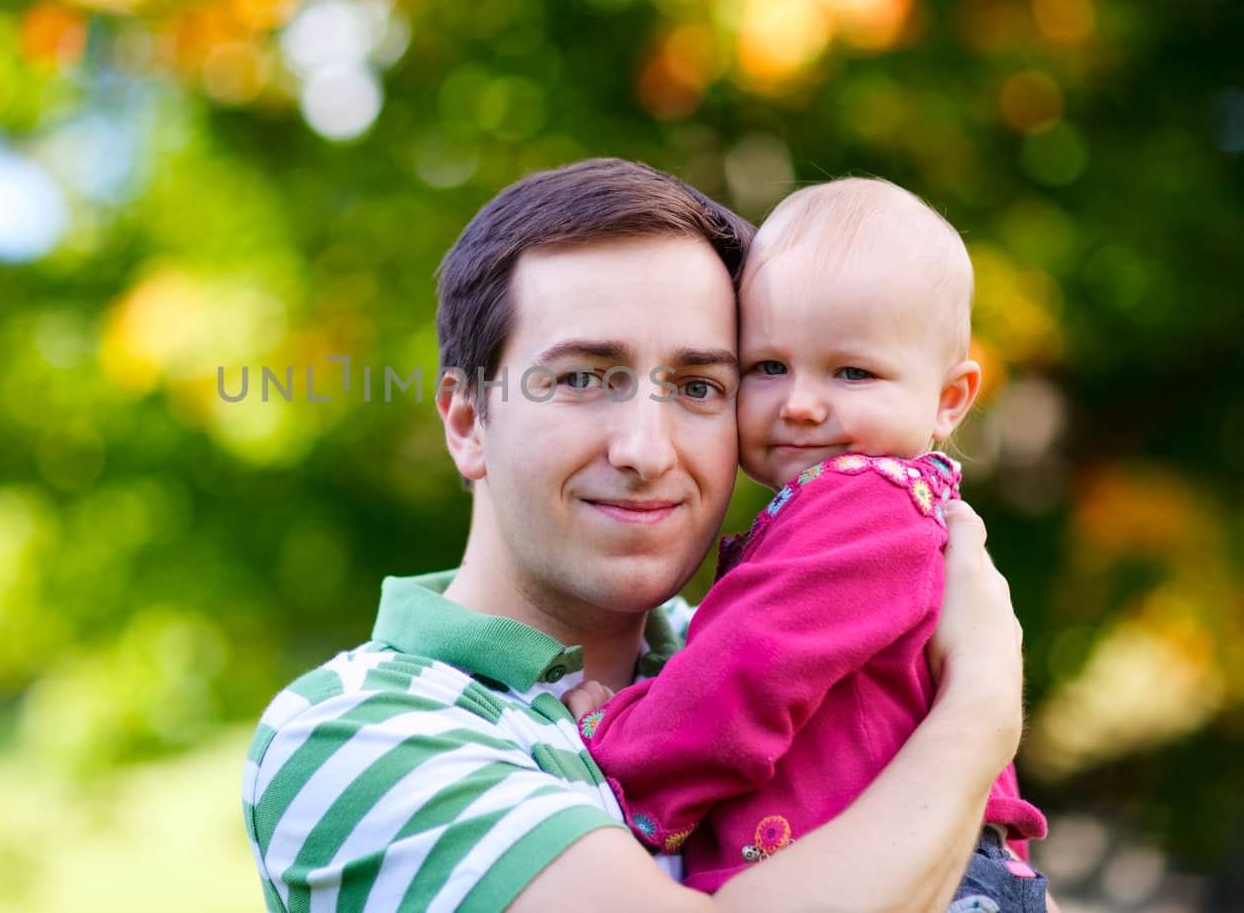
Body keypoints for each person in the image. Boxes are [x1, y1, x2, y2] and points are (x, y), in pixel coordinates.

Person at [242, 159, 1028, 912]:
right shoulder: (357, 730)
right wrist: (981, 710)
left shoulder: (741, 643)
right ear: (466, 420)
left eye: (699, 386)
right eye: (583, 378)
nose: (646, 450)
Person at [571, 178, 1049, 911]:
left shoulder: (863, 503)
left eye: (852, 371)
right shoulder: (870, 509)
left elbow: (753, 662)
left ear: (950, 398)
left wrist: (621, 745)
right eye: (767, 366)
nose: (799, 402)